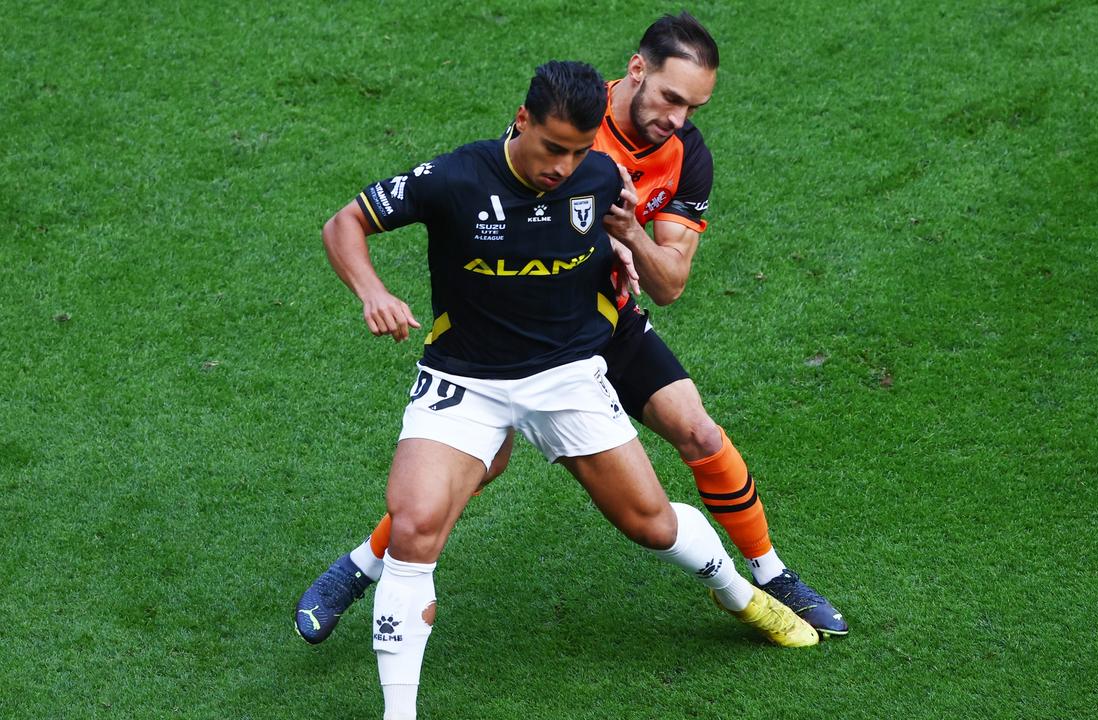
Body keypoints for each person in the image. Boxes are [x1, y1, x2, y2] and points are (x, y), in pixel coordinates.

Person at [296, 13, 846, 648]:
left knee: (696, 431)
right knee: (477, 466)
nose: (678, 119)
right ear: (637, 71)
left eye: (694, 107)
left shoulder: (686, 157)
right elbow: (507, 211)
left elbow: (667, 285)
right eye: (670, 98)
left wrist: (629, 236)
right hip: (524, 330)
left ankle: (769, 576)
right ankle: (361, 567)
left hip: (607, 324)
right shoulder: (564, 124)